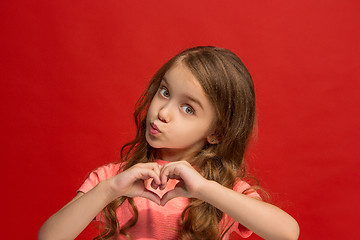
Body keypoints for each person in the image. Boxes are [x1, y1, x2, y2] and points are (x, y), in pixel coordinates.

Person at [38, 46, 299, 240]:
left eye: (188, 108)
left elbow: (287, 233)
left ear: (216, 133)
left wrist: (205, 190)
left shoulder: (222, 189)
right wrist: (109, 190)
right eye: (165, 92)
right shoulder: (115, 178)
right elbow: (49, 237)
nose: (163, 112)